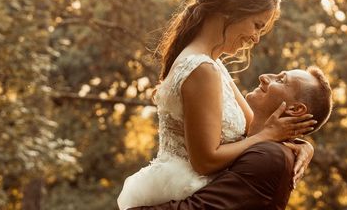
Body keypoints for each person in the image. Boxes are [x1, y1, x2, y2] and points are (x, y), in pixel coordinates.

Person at [118, 0, 318, 210]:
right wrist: (269, 136)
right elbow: (206, 161)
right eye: (257, 25)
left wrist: (301, 145)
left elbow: (250, 135)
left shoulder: (213, 64)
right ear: (233, 9)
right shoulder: (202, 69)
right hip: (184, 190)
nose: (256, 38)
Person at [128, 67, 333, 210]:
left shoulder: (270, 157)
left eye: (281, 80)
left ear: (296, 110)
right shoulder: (254, 142)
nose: (264, 77)